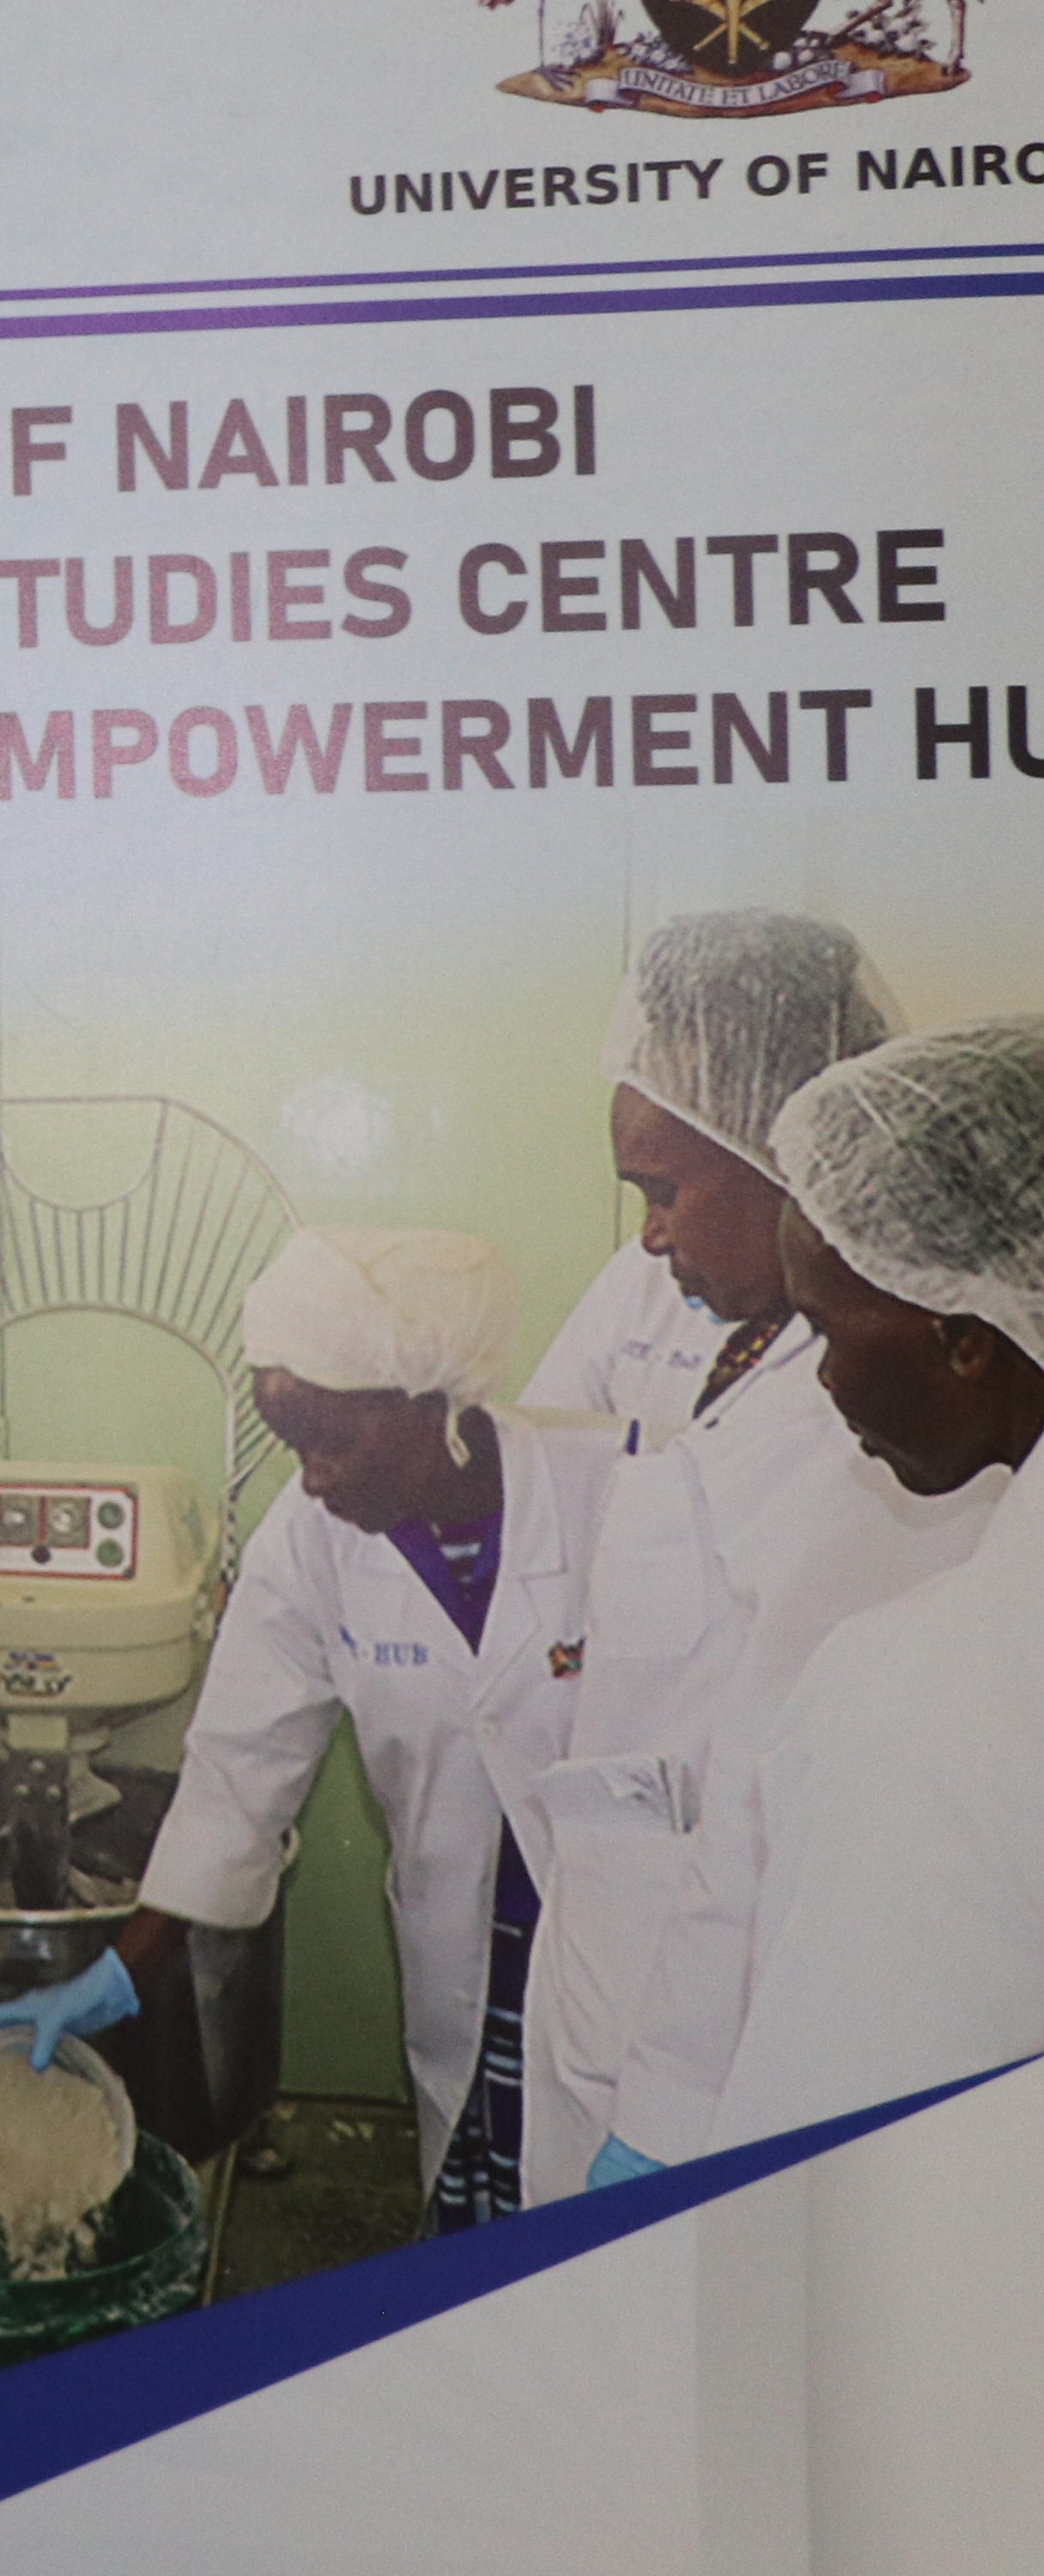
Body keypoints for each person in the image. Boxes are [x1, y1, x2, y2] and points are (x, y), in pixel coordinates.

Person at [0, 1228, 615, 2230]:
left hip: (625, 1943)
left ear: (429, 1400)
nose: (311, 1478)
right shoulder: (310, 1542)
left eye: (330, 1440)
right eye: (292, 1444)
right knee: (490, 2204)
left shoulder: (619, 1484)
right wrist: (120, 1972)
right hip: (467, 1950)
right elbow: (238, 1770)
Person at [519, 912, 992, 2191]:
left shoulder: (900, 1414)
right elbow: (553, 1468)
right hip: (611, 1922)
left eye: (665, 1191)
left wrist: (668, 2112)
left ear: (776, 1154)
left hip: (726, 2023)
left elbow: (777, 1799)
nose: (647, 1235)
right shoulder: (660, 1291)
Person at [705, 1020, 1044, 2155]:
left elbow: (842, 2152)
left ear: (965, 1337)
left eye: (824, 1329)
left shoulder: (937, 1693)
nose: (823, 1380)